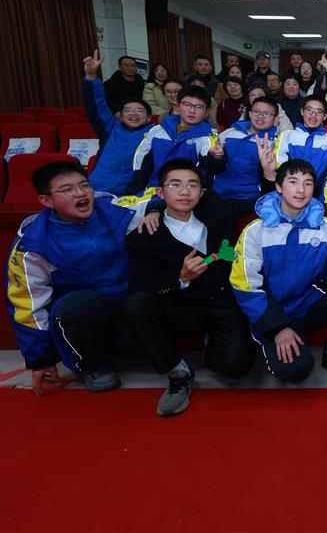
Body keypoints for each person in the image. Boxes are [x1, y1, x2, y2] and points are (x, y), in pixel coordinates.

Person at [123, 160, 254, 416]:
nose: (185, 192)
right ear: (160, 192)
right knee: (135, 304)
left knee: (236, 368)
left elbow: (254, 204)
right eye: (175, 185)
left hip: (220, 300)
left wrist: (270, 176)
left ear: (202, 192)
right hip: (178, 305)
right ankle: (178, 371)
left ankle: (213, 344)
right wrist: (180, 277)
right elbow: (141, 283)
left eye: (192, 185)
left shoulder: (216, 209)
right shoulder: (143, 235)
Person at [6, 161, 149, 396]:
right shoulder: (32, 245)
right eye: (67, 189)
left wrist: (155, 210)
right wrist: (40, 359)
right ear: (46, 201)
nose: (80, 193)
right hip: (84, 316)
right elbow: (27, 306)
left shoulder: (113, 209)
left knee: (153, 288)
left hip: (124, 304)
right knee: (81, 304)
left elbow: (153, 196)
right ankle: (92, 366)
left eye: (84, 185)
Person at [230, 160, 327, 384]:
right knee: (296, 371)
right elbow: (244, 286)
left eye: (308, 183)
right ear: (279, 187)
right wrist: (278, 328)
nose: (301, 190)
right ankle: (270, 341)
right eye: (293, 182)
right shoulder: (255, 231)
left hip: (307, 306)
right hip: (272, 313)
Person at [80, 51, 155, 195]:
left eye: (139, 110)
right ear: (120, 116)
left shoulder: (154, 135)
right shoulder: (110, 129)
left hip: (132, 195)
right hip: (97, 190)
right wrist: (91, 76)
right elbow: (95, 106)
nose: (133, 113)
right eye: (128, 110)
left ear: (148, 118)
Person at [128, 86, 217, 195]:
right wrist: (135, 193)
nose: (192, 111)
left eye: (199, 107)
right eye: (187, 104)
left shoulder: (209, 138)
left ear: (206, 112)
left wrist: (218, 158)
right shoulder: (157, 131)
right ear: (178, 105)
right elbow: (141, 166)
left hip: (187, 195)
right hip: (153, 192)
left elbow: (209, 172)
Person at [213, 96, 280, 216]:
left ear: (275, 119)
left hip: (251, 198)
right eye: (256, 112)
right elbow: (211, 163)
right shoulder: (230, 133)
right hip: (218, 193)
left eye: (267, 114)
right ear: (249, 114)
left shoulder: (275, 142)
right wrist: (215, 157)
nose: (260, 116)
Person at [275, 96, 327, 191]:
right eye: (309, 110)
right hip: (290, 191)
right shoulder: (287, 136)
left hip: (318, 192)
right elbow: (279, 164)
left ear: (325, 116)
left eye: (319, 112)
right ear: (302, 111)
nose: (313, 115)